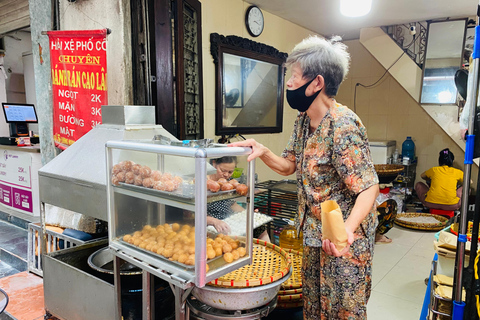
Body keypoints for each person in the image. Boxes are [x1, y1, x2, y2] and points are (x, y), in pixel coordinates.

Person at [230, 35, 379, 319]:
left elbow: (368, 187)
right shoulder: (303, 121)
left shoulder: (343, 125)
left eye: (294, 77)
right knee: (313, 306)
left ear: (317, 83)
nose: (288, 84)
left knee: (341, 308)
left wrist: (347, 230)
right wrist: (261, 151)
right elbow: (288, 166)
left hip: (344, 242)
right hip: (312, 234)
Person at [206, 156, 270, 241]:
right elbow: (192, 214)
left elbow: (232, 204)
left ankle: (264, 252)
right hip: (211, 222)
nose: (226, 175)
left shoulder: (229, 183)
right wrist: (215, 221)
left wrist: (248, 214)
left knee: (259, 226)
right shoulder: (204, 181)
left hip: (228, 218)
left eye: (230, 172)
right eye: (223, 170)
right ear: (214, 164)